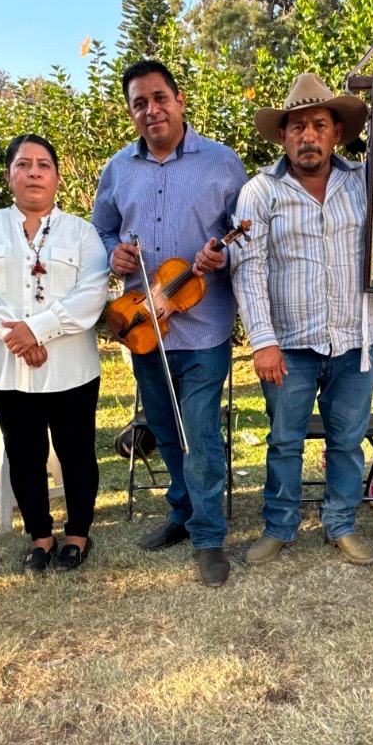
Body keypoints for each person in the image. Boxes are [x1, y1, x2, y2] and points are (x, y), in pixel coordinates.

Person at [92, 59, 249, 587]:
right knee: (164, 428)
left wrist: (219, 258)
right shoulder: (117, 169)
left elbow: (244, 238)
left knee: (200, 434)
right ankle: (182, 515)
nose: (151, 110)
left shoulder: (223, 164)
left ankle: (208, 536)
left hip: (202, 326)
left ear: (180, 101)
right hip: (144, 326)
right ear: (131, 112)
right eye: (140, 103)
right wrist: (113, 254)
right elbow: (105, 230)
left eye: (160, 98)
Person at [230, 73, 373, 567]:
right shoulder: (260, 192)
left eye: (319, 124)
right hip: (288, 346)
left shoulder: (364, 183)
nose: (307, 135)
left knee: (347, 443)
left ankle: (341, 524)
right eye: (297, 126)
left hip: (355, 338)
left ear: (338, 132)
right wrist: (262, 343)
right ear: (282, 136)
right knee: (284, 442)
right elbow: (248, 270)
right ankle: (279, 526)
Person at [0, 135, 109, 573]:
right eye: (24, 164)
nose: (34, 172)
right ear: (9, 176)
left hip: (71, 365)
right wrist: (17, 336)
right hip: (8, 366)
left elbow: (92, 292)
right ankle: (40, 536)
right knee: (24, 453)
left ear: (57, 176)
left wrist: (37, 329)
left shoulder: (82, 233)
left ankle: (78, 533)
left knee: (76, 449)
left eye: (44, 164)